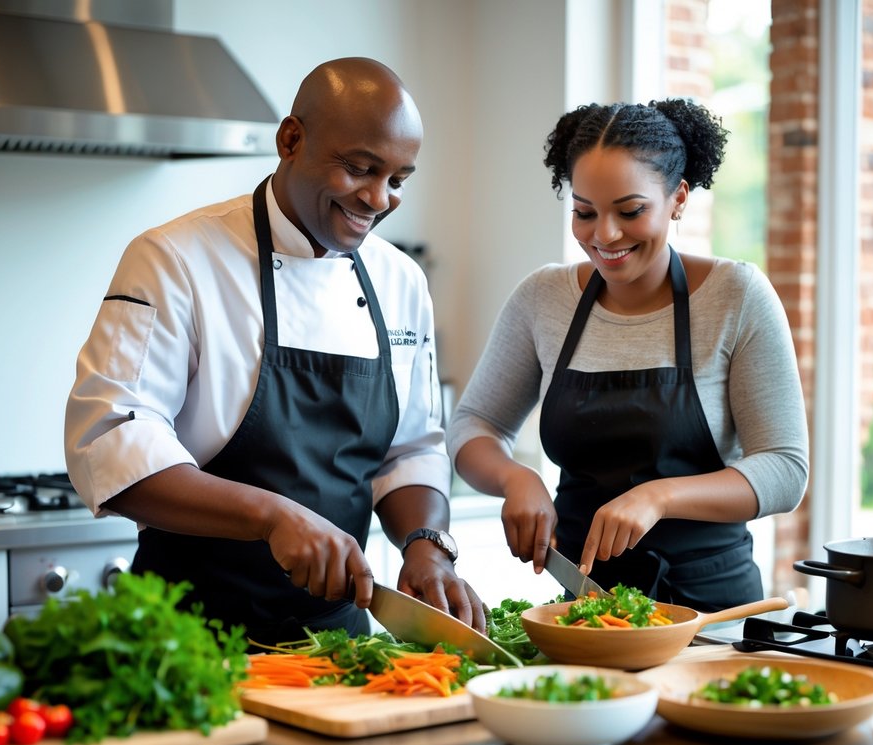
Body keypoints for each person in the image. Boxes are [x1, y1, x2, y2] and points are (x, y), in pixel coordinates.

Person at [64, 57, 485, 644]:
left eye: (398, 180)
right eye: (361, 168)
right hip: (188, 637)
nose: (380, 198)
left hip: (335, 643)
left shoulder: (401, 281)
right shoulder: (176, 259)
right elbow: (109, 444)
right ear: (291, 139)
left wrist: (425, 545)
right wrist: (272, 516)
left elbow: (410, 450)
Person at [448, 99, 808, 612]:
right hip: (585, 610)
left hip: (711, 617)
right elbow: (473, 425)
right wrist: (516, 478)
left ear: (678, 198)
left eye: (631, 211)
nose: (605, 235)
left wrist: (657, 498)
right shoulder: (542, 298)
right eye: (584, 212)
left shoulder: (736, 296)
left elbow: (784, 469)